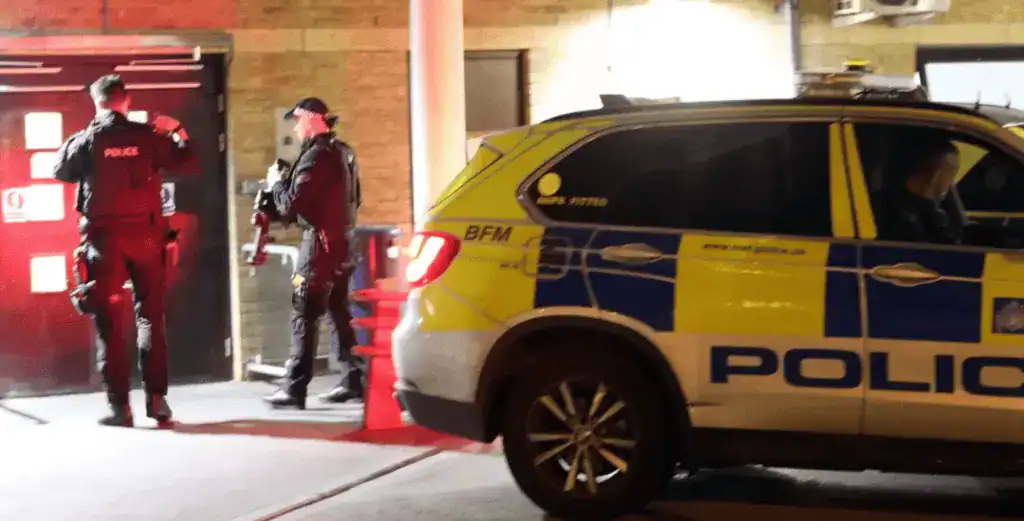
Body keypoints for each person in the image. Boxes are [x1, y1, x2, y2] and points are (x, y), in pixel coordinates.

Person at [52, 74, 192, 427]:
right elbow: (186, 160)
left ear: (96, 103)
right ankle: (157, 402)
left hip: (105, 243)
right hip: (147, 239)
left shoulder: (86, 141)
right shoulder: (149, 138)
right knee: (151, 318)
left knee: (110, 324)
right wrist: (177, 129)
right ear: (126, 101)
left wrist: (87, 137)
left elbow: (59, 170)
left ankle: (120, 409)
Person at [262, 97, 364, 410]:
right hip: (344, 244)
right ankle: (353, 379)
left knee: (304, 313)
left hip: (319, 247)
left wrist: (276, 184)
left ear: (311, 118)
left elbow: (291, 203)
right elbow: (356, 198)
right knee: (338, 313)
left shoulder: (317, 156)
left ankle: (294, 388)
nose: (296, 126)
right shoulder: (344, 152)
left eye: (298, 120)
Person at [873, 134, 963, 245]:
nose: (952, 182)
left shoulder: (885, 202)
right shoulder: (908, 220)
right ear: (936, 174)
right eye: (952, 173)